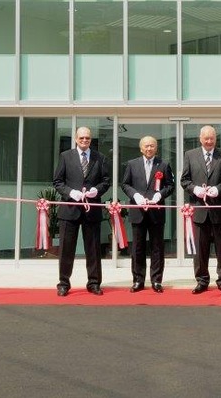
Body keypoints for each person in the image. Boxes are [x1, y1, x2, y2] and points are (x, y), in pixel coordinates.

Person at [53, 126, 111, 296]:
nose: (85, 140)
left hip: (91, 210)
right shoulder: (66, 156)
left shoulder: (100, 158)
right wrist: (71, 193)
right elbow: (58, 181)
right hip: (69, 209)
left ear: (91, 139)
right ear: (76, 139)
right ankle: (64, 283)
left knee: (93, 249)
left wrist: (96, 191)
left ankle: (94, 283)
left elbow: (106, 181)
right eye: (82, 138)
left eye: (88, 138)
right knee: (66, 249)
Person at [180, 125, 221, 295]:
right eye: (206, 138)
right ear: (200, 139)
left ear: (215, 139)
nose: (209, 141)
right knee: (200, 250)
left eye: (212, 138)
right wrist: (195, 189)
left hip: (220, 210)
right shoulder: (190, 155)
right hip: (199, 211)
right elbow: (184, 180)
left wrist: (218, 189)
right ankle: (202, 280)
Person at [121, 135, 175, 293]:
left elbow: (170, 185)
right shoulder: (132, 164)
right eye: (146, 146)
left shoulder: (163, 165)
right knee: (137, 247)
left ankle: (156, 280)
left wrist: (160, 195)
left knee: (157, 247)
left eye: (152, 146)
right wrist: (136, 196)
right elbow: (125, 184)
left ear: (156, 148)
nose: (149, 148)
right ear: (141, 148)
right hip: (138, 211)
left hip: (156, 212)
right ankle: (138, 280)